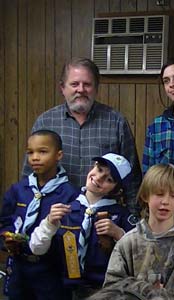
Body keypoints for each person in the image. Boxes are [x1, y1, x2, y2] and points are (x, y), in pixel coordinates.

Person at [23, 57, 142, 216]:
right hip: (55, 216)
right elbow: (29, 174)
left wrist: (132, 219)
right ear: (62, 88)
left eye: (87, 84)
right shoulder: (45, 122)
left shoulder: (116, 122)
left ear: (96, 88)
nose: (81, 89)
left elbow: (132, 178)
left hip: (103, 218)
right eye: (74, 84)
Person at [29, 153, 136, 298]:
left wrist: (119, 234)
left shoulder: (122, 216)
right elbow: (36, 249)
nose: (98, 178)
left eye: (109, 179)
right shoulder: (65, 206)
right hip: (62, 289)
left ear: (117, 189)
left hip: (105, 291)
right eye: (99, 170)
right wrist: (49, 224)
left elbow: (137, 258)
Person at [103, 164, 174, 299]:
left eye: (173, 196)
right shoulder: (128, 242)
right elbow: (111, 289)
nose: (165, 201)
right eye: (159, 194)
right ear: (145, 196)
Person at [0, 130, 79, 300]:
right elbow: (5, 221)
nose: (35, 157)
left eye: (42, 152)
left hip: (50, 271)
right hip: (18, 267)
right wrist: (6, 239)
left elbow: (70, 235)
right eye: (30, 152)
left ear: (59, 155)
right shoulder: (18, 190)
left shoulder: (70, 194)